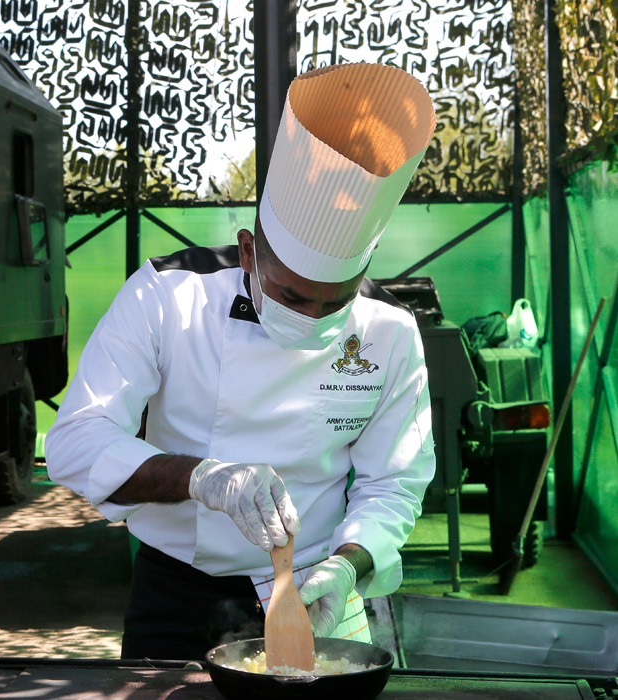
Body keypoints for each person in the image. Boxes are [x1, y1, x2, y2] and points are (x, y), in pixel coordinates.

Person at [45, 62, 439, 661]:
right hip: (179, 592)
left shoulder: (390, 333)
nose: (312, 317)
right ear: (250, 251)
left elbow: (394, 484)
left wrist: (349, 567)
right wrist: (202, 478)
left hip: (319, 588)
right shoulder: (170, 296)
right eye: (290, 296)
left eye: (335, 301)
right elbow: (75, 442)